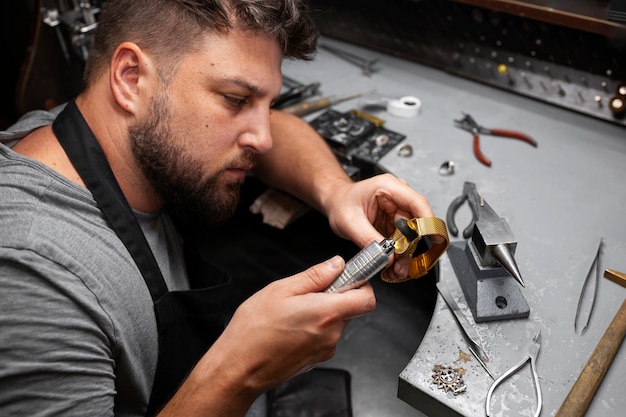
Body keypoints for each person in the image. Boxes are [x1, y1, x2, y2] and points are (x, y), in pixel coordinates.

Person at [0, 0, 436, 416]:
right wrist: (237, 373)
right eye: (235, 99)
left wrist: (337, 192)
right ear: (131, 78)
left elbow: (277, 134)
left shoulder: (87, 126)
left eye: (265, 103)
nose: (262, 138)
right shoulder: (34, 278)